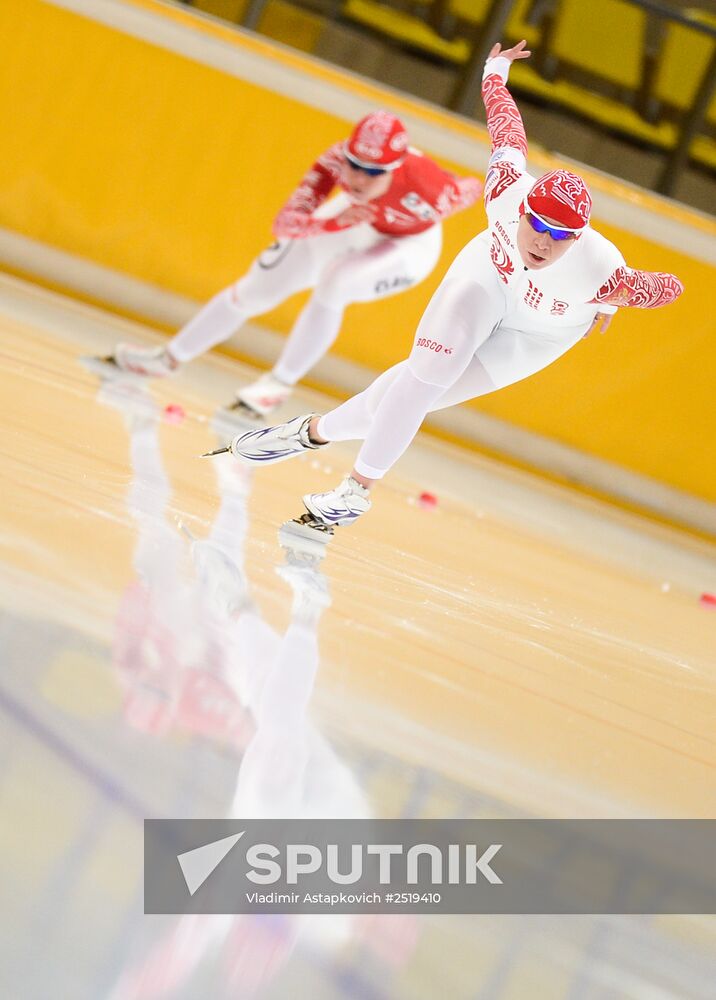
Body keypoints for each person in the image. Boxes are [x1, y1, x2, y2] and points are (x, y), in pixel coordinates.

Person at [224, 40, 684, 529]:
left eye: (561, 237)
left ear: (579, 238)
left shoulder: (600, 273)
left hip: (540, 333)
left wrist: (623, 296)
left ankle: (311, 433)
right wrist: (495, 68)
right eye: (538, 224)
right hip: (487, 279)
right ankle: (355, 492)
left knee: (414, 395)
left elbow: (672, 287)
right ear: (523, 207)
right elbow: (506, 126)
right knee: (425, 375)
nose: (544, 242)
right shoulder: (506, 187)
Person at [106, 111, 482, 416]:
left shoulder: (431, 190)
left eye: (373, 172)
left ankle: (277, 385)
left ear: (396, 168)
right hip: (351, 221)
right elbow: (285, 224)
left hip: (408, 245)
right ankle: (168, 358)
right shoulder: (334, 161)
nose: (358, 178)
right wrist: (334, 222)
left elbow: (473, 188)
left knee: (336, 282)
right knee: (256, 289)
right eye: (354, 164)